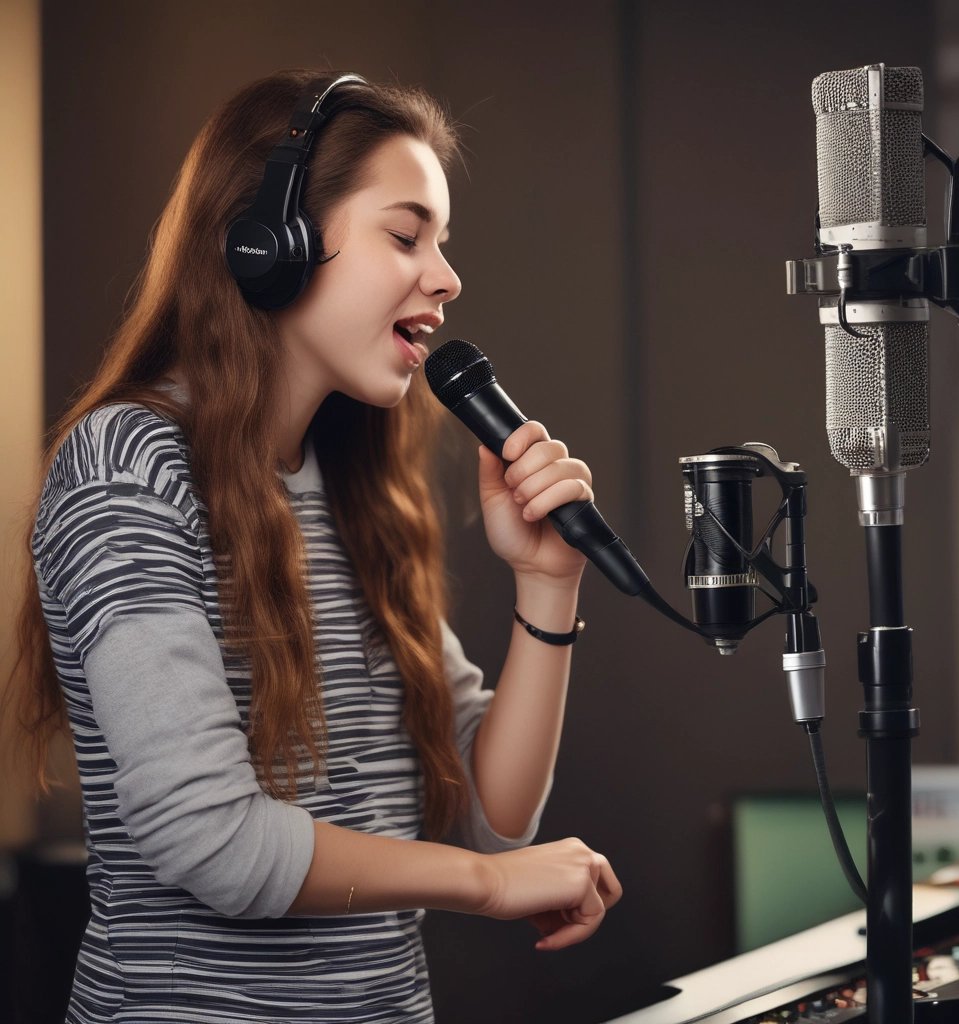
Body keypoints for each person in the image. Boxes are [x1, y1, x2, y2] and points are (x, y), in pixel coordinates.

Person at [6, 68, 621, 1023]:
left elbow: (494, 824)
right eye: (406, 235)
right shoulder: (128, 463)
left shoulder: (353, 486)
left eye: (444, 246)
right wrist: (484, 887)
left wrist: (548, 588)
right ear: (272, 245)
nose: (448, 278)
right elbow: (207, 836)